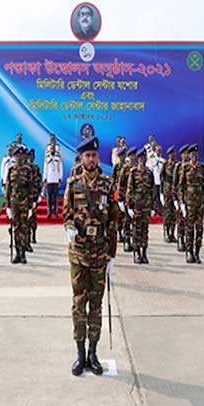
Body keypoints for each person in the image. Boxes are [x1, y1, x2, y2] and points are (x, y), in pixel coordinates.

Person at [63, 135, 118, 376]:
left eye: (95, 155)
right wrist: (69, 228)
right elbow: (66, 213)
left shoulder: (107, 186)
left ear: (98, 158)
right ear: (81, 158)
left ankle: (93, 354)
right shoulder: (73, 184)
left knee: (95, 307)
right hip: (78, 255)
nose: (92, 159)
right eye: (87, 155)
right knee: (78, 305)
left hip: (99, 255)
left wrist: (112, 256)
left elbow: (114, 221)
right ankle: (79, 354)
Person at [125, 147, 157, 264]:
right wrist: (129, 206)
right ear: (138, 159)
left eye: (144, 158)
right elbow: (129, 190)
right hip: (137, 206)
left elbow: (153, 191)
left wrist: (153, 207)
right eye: (140, 158)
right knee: (137, 230)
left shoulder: (149, 173)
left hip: (147, 206)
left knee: (145, 230)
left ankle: (144, 253)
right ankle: (137, 252)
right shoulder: (133, 173)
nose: (142, 160)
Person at [178, 144, 204, 263]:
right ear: (189, 155)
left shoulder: (202, 168)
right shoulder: (185, 168)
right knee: (189, 228)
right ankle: (189, 252)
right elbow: (181, 187)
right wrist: (181, 204)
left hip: (199, 203)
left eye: (196, 154)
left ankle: (197, 252)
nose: (194, 156)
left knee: (199, 228)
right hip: (189, 203)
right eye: (192, 154)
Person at [6, 145, 34, 264]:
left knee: (24, 228)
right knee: (16, 228)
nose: (19, 158)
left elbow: (31, 188)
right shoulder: (11, 170)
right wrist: (7, 205)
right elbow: (8, 188)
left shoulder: (28, 170)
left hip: (24, 203)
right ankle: (17, 252)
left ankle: (23, 253)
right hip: (14, 204)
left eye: (21, 156)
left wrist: (31, 206)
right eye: (17, 156)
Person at [117, 148, 137, 252]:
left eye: (135, 155)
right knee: (127, 220)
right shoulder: (124, 169)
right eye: (131, 155)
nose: (133, 157)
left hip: (137, 200)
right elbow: (120, 184)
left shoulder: (138, 168)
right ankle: (127, 240)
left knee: (135, 222)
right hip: (126, 198)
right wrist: (120, 199)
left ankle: (135, 241)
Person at [173, 145, 190, 252]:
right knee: (181, 220)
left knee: (189, 221)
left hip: (190, 198)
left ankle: (187, 240)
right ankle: (180, 238)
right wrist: (175, 199)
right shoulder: (178, 167)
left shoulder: (190, 166)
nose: (185, 155)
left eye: (187, 153)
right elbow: (175, 184)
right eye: (184, 153)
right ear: (181, 155)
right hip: (181, 197)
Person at [160, 146, 178, 243]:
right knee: (167, 213)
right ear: (168, 155)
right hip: (167, 191)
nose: (172, 155)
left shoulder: (177, 165)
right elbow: (162, 178)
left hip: (175, 192)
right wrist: (161, 193)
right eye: (171, 154)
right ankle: (166, 232)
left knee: (174, 213)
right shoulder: (165, 165)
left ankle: (172, 233)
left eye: (173, 153)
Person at [44, 135, 63, 217]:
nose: (52, 149)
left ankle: (55, 212)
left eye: (53, 148)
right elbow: (45, 169)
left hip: (55, 180)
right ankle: (49, 212)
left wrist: (60, 180)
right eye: (51, 148)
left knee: (55, 198)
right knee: (48, 198)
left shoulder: (58, 158)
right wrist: (44, 180)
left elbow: (61, 169)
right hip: (49, 180)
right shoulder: (47, 158)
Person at [28, 148, 43, 246]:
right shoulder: (26, 167)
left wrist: (39, 194)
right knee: (27, 219)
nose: (31, 158)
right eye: (30, 156)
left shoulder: (36, 167)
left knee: (33, 217)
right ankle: (27, 237)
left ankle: (33, 235)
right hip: (27, 197)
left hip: (34, 195)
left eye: (33, 156)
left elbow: (39, 181)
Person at [150, 142, 165, 216]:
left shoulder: (163, 160)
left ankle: (161, 212)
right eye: (157, 150)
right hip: (154, 181)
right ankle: (152, 211)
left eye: (160, 150)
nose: (158, 152)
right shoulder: (152, 159)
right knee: (153, 197)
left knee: (160, 197)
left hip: (161, 182)